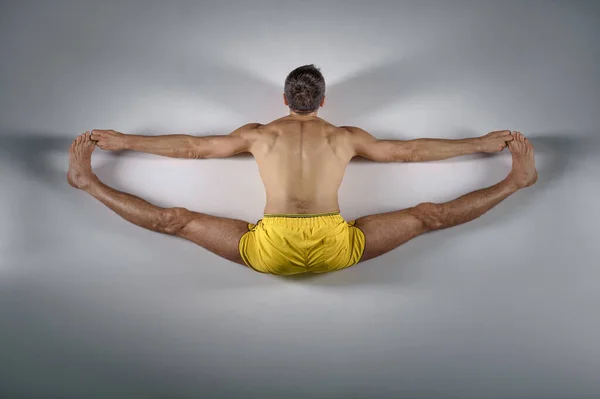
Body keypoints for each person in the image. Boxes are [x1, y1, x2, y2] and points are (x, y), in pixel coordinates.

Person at [67, 64, 537, 275]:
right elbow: (409, 153)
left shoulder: (258, 134)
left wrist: (126, 141)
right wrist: (478, 143)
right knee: (429, 216)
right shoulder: (346, 137)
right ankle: (515, 182)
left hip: (269, 248)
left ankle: (87, 183)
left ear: (285, 100)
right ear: (324, 101)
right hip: (337, 246)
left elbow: (195, 149)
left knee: (175, 221)